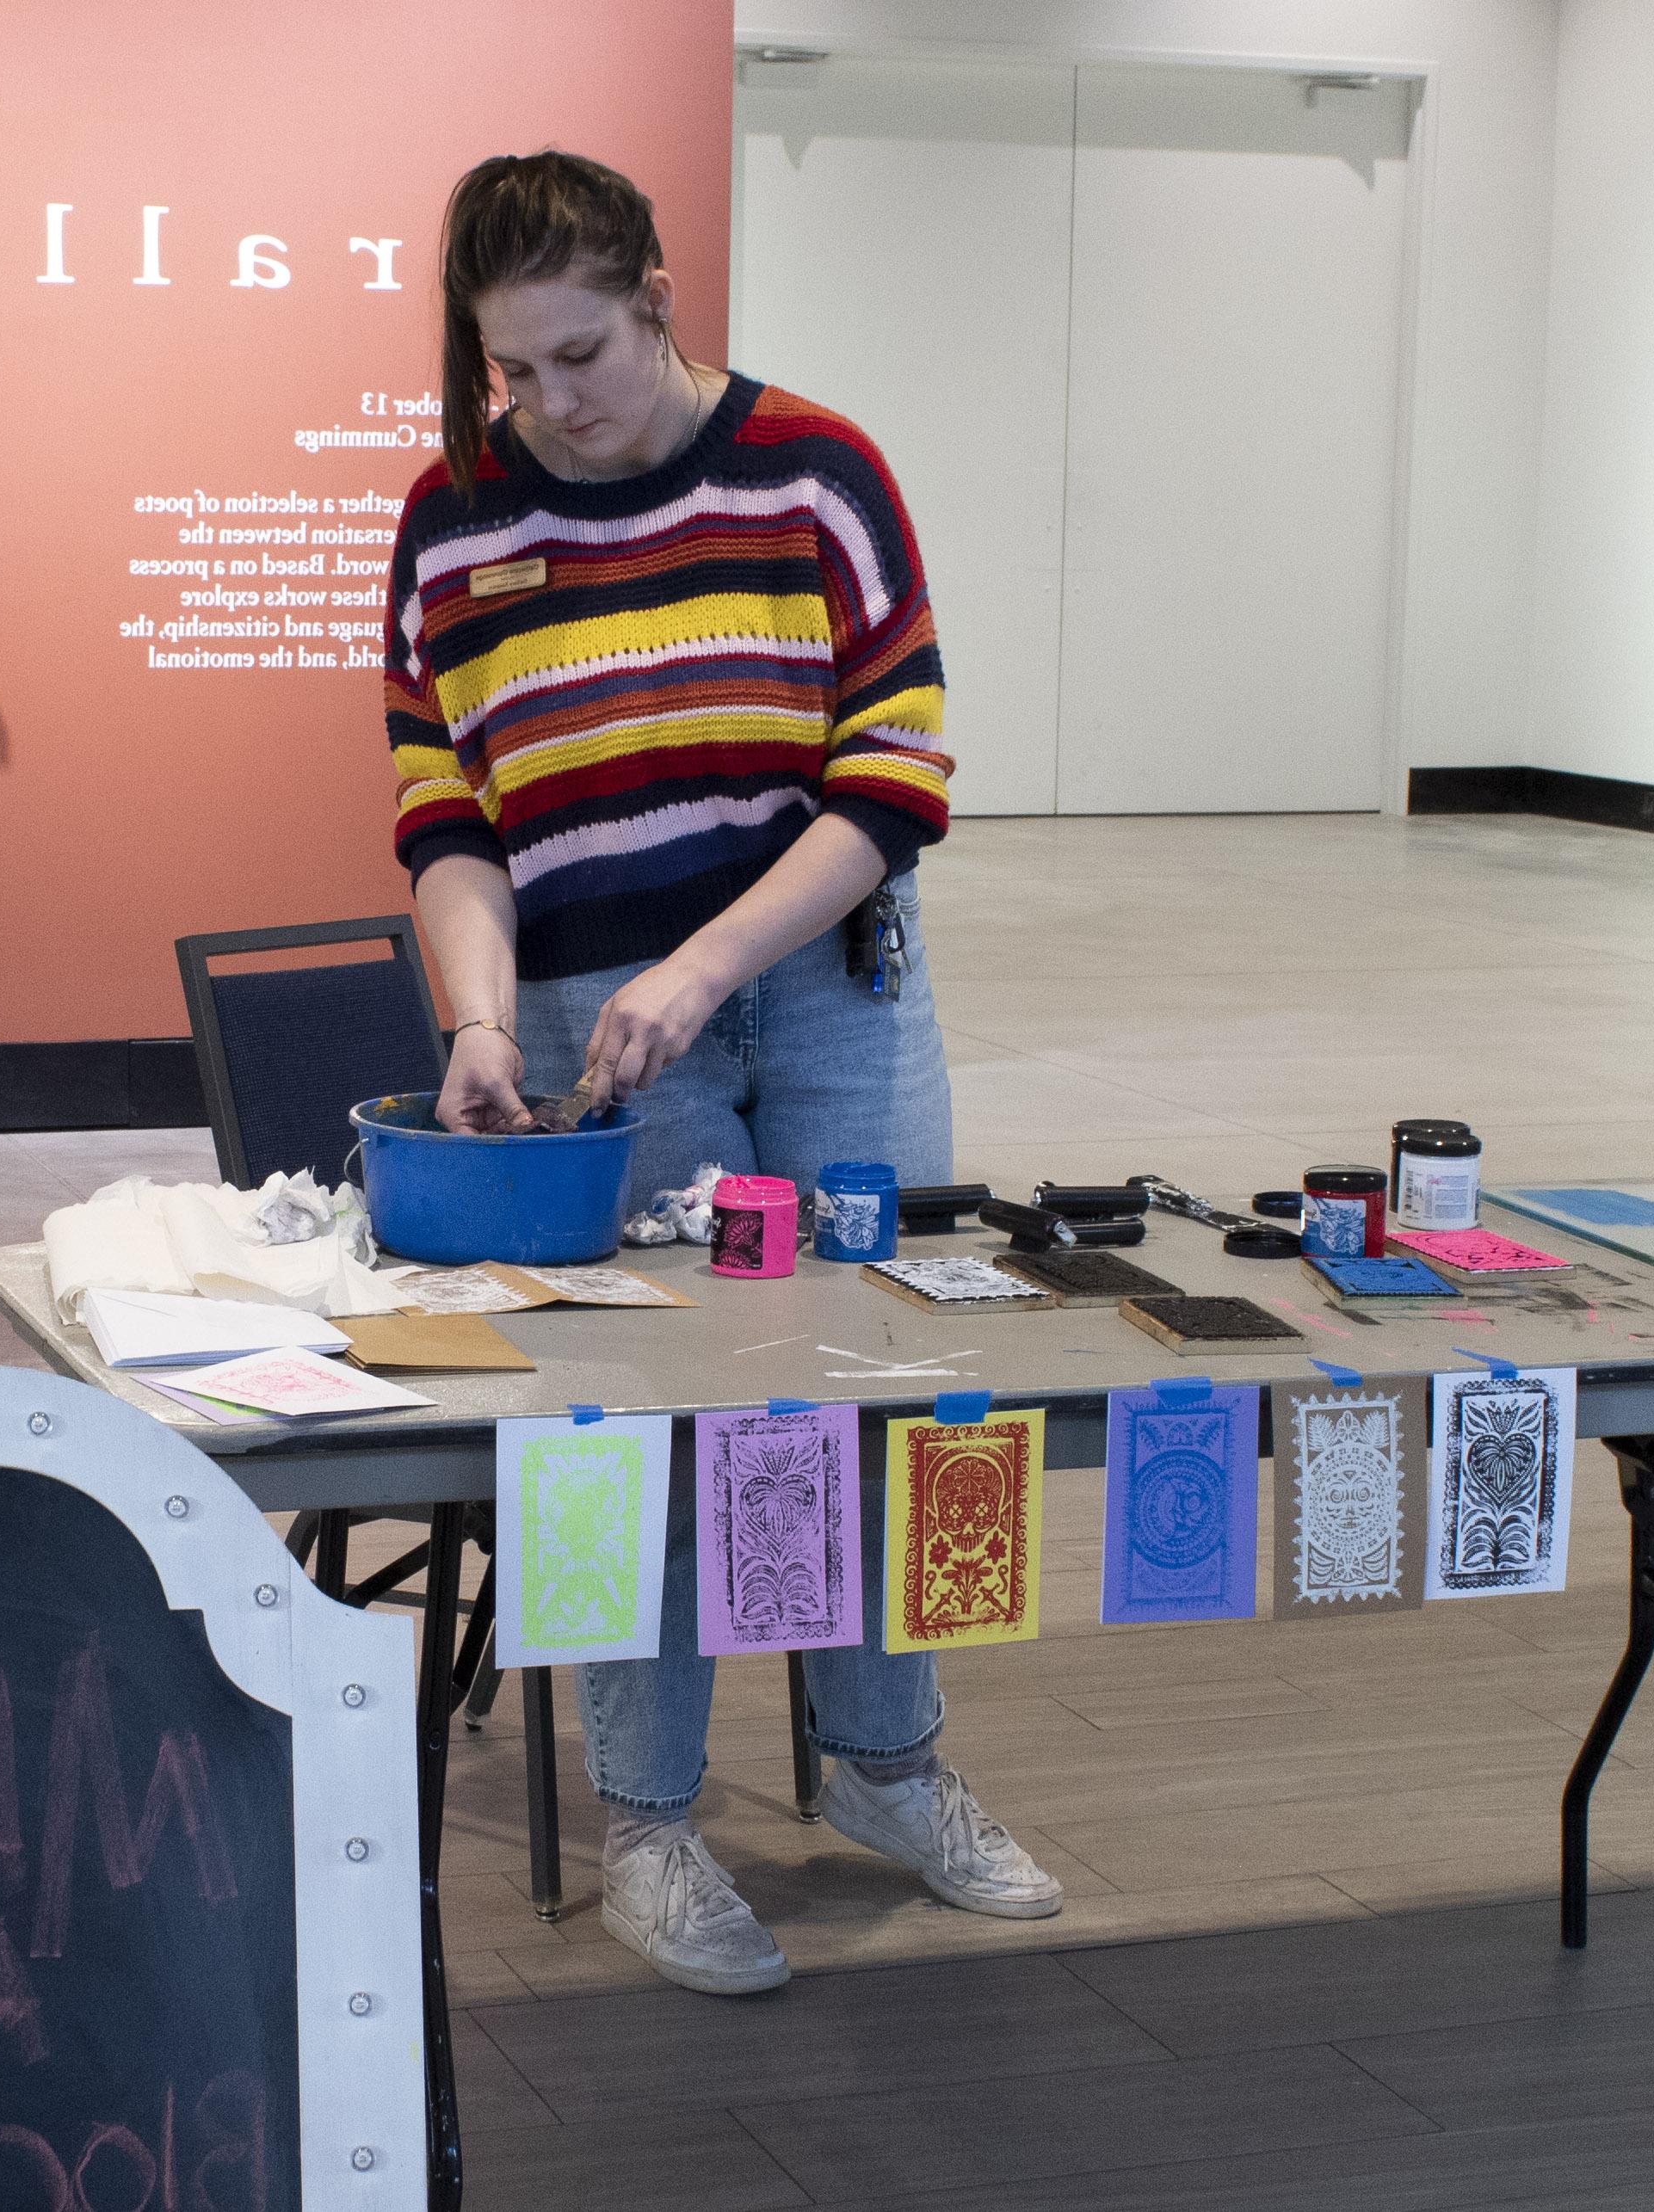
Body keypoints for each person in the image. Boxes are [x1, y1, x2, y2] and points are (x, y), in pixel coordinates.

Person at [379, 150, 1057, 1996]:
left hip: (829, 990)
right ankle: (653, 1826)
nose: (546, 402)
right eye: (510, 367)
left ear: (660, 292)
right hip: (601, 1029)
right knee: (641, 1415)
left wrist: (706, 961)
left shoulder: (816, 471)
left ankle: (888, 1764)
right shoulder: (452, 516)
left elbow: (895, 784)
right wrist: (478, 1016)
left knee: (890, 1375)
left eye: (579, 351)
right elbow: (445, 809)